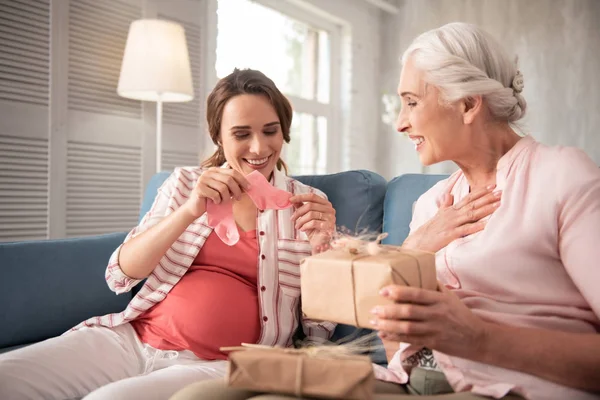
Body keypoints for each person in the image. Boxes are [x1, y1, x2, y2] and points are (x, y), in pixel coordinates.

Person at [168, 22, 600, 400]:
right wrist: (410, 253)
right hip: (414, 378)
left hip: (509, 386)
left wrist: (476, 337)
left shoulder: (560, 176)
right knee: (203, 393)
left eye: (411, 102)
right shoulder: (430, 206)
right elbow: (395, 341)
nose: (400, 122)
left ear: (468, 104)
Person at [0, 68, 337, 400]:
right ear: (218, 136)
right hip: (133, 339)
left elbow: (317, 331)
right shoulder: (185, 183)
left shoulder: (307, 205)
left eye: (270, 131)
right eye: (241, 134)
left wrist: (325, 250)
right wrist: (190, 209)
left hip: (220, 365)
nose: (258, 147)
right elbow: (120, 274)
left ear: (284, 132)